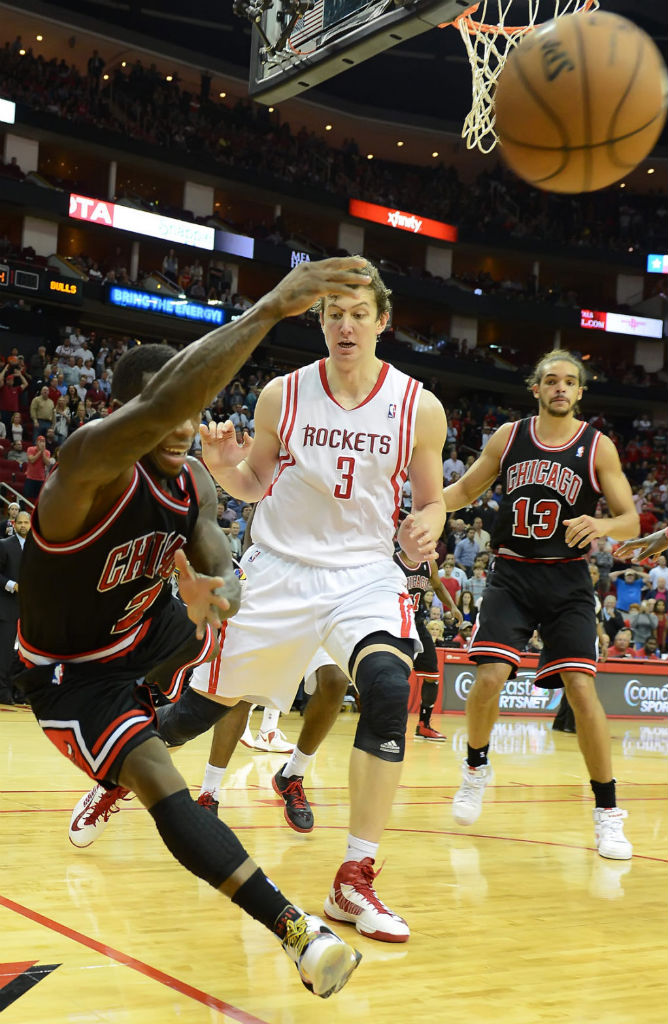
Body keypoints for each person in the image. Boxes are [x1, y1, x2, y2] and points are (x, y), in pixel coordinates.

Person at [16, 256, 374, 998]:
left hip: (146, 637)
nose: (187, 425)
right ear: (125, 415)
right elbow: (163, 405)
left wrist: (221, 592)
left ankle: (154, 731)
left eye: (189, 412)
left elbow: (221, 569)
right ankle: (295, 930)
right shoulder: (84, 467)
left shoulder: (191, 480)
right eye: (168, 412)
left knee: (226, 667)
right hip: (72, 673)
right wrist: (269, 309)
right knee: (156, 775)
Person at [189, 259, 447, 942]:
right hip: (279, 566)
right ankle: (120, 773)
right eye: (333, 312)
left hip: (362, 574)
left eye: (359, 312)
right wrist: (223, 470)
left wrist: (432, 523)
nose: (345, 323)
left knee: (390, 686)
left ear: (382, 321)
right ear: (321, 322)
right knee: (204, 703)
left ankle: (353, 879)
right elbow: (252, 482)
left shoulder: (418, 405)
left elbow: (431, 500)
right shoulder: (284, 393)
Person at [442, 349, 638, 860]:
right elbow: (464, 488)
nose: (559, 388)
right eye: (550, 380)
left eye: (569, 382)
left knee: (581, 688)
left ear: (579, 392)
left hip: (567, 579)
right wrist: (424, 507)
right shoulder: (509, 437)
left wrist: (602, 525)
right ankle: (476, 768)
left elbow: (631, 522)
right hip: (511, 573)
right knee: (489, 677)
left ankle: (607, 812)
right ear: (535, 387)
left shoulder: (598, 447)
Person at [394, 543, 462, 741]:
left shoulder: (428, 562)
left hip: (416, 621)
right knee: (394, 676)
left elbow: (438, 586)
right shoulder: (393, 560)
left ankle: (424, 725)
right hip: (394, 621)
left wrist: (452, 607)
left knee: (432, 675)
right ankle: (387, 723)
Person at [0, 510, 30, 703]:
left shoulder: (38, 548)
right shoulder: (4, 545)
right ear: (14, 524)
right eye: (19, 522)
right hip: (8, 607)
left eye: (26, 522)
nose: (22, 526)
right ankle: (3, 691)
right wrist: (11, 585)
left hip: (31, 610)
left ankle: (20, 691)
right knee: (4, 653)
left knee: (25, 654)